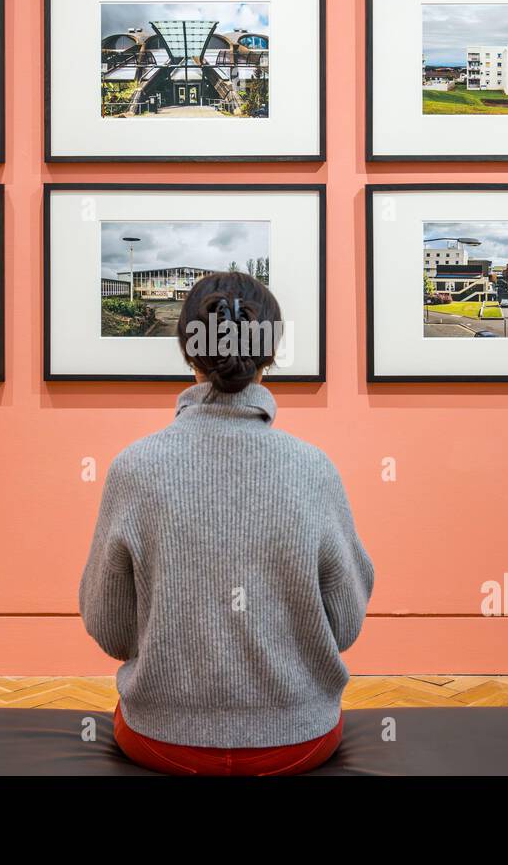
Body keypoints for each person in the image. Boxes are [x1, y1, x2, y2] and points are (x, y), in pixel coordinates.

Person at [79, 271, 374, 776]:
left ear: (188, 352)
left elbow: (110, 627)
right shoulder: (313, 468)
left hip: (162, 740)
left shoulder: (134, 467)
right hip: (298, 740)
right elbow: (344, 626)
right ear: (270, 354)